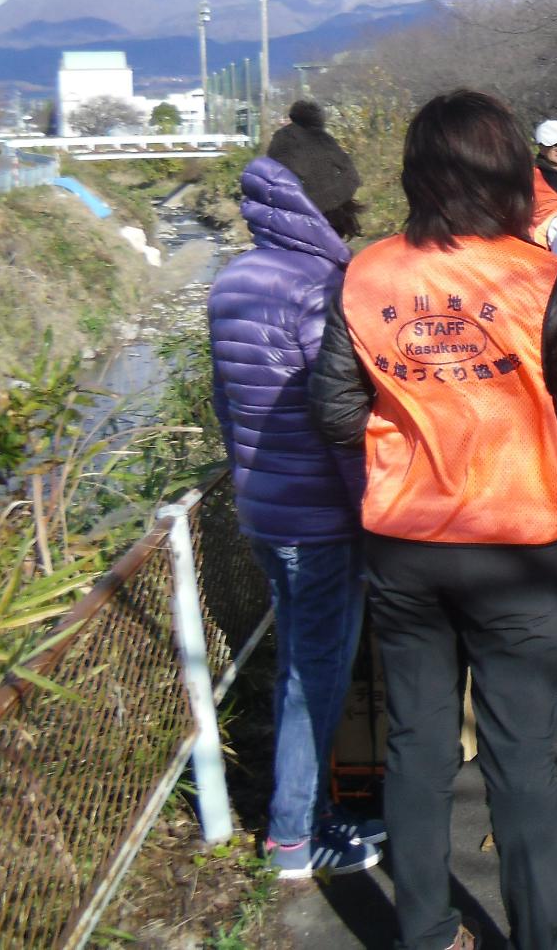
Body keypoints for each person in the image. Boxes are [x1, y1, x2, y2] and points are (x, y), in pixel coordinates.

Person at [309, 89, 557, 950]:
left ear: (417, 174)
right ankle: (539, 939)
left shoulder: (368, 273)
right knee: (521, 754)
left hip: (405, 544)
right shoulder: (538, 275)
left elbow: (333, 409)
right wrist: (551, 460)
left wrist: (407, 426)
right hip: (519, 545)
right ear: (511, 172)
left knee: (417, 744)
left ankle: (425, 933)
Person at [208, 151, 379, 880]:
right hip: (321, 518)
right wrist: (372, 512)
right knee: (319, 675)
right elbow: (341, 423)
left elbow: (225, 401)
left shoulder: (231, 281)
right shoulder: (320, 287)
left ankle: (302, 817)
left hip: (261, 508)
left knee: (296, 665)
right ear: (324, 207)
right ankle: (294, 837)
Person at [267, 99, 362, 236]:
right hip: (329, 213)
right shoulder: (324, 139)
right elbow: (351, 174)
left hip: (293, 212)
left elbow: (272, 172)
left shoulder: (282, 138)